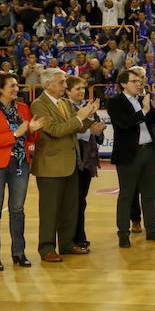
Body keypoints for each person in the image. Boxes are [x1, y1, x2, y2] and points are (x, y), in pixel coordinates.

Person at [30, 68, 100, 262]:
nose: (64, 85)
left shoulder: (65, 103)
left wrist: (90, 115)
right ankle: (47, 248)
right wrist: (79, 117)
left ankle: (67, 243)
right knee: (50, 210)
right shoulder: (39, 105)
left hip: (70, 163)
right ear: (48, 85)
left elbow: (79, 125)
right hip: (50, 165)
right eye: (61, 82)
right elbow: (55, 130)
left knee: (70, 207)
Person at [0, 73, 46, 271]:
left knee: (17, 210)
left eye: (17, 85)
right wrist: (16, 133)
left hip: (19, 164)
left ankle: (19, 252)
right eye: (12, 86)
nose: (17, 89)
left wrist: (33, 130)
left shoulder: (23, 108)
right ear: (0, 88)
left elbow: (31, 138)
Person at [108, 68, 155, 248]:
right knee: (126, 195)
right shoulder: (115, 102)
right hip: (129, 154)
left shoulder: (143, 98)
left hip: (149, 151)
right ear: (123, 84)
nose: (139, 84)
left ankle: (151, 230)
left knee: (150, 194)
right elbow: (124, 123)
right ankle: (123, 233)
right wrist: (144, 110)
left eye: (140, 81)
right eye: (134, 81)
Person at [67, 75, 106, 250]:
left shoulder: (89, 108)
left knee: (81, 199)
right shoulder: (65, 108)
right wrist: (89, 129)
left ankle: (79, 235)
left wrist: (97, 131)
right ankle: (72, 237)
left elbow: (99, 137)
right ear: (67, 91)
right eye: (77, 89)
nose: (81, 91)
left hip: (87, 158)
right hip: (72, 158)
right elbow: (68, 131)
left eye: (83, 88)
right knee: (73, 200)